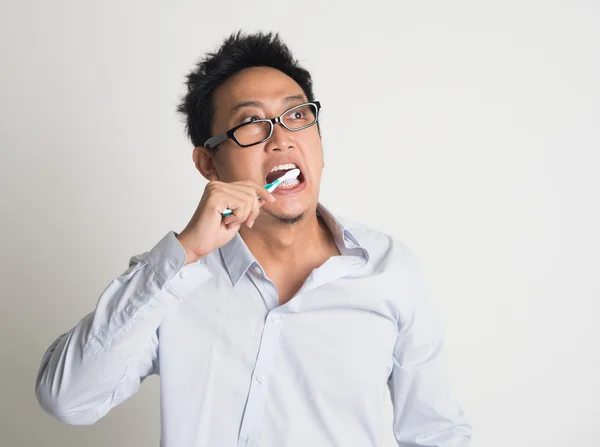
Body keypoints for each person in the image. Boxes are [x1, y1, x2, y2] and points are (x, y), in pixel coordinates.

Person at [35, 31, 472, 446]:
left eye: (297, 115)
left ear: (319, 139)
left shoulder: (388, 268)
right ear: (208, 165)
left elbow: (436, 433)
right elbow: (68, 400)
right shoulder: (173, 279)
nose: (281, 139)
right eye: (251, 123)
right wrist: (186, 251)